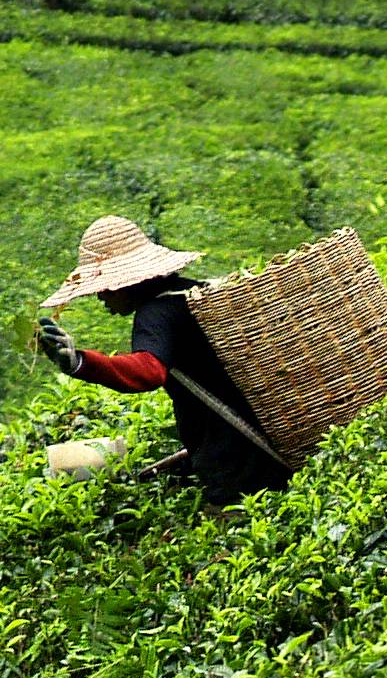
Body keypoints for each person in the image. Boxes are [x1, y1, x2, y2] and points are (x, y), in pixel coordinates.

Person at [32, 216, 288, 504]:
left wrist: (80, 363)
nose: (100, 297)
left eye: (103, 288)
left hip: (239, 473)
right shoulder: (193, 292)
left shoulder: (155, 314)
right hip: (268, 447)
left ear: (124, 283)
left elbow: (148, 371)